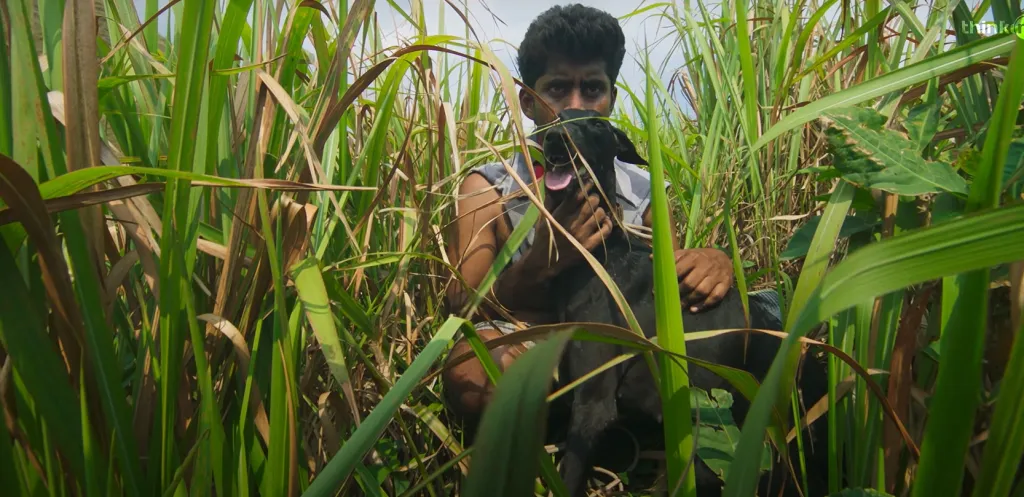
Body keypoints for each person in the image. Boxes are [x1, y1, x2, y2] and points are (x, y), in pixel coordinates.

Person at [440, 4, 740, 434]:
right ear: (528, 101)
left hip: (626, 345)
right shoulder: (490, 187)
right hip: (536, 340)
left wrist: (715, 261)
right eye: (558, 90)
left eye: (593, 89)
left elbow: (667, 291)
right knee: (475, 374)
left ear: (612, 99)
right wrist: (539, 265)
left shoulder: (641, 188)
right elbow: (463, 306)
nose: (575, 106)